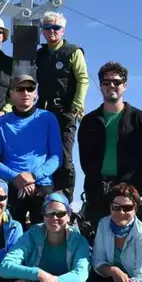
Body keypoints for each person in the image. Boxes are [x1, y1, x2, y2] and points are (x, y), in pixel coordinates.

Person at [78, 61, 142, 229]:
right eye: (106, 82)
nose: (111, 85)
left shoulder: (139, 119)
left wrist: (135, 190)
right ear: (100, 86)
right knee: (97, 247)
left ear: (124, 85)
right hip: (97, 195)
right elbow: (85, 160)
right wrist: (96, 184)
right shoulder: (89, 121)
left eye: (117, 82)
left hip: (127, 195)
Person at [0, 74, 63, 228]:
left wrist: (33, 176)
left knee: (46, 237)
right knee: (10, 237)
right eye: (20, 89)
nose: (26, 93)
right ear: (12, 93)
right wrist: (16, 178)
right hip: (12, 185)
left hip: (41, 184)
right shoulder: (2, 122)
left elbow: (57, 157)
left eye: (30, 88)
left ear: (35, 93)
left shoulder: (48, 118)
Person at [35, 11, 89, 202]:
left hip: (65, 111)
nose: (52, 31)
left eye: (56, 27)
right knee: (42, 153)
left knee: (65, 156)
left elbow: (83, 79)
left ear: (63, 30)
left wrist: (77, 105)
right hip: (43, 112)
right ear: (42, 31)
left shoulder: (73, 52)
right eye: (47, 27)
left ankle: (65, 198)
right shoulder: (39, 55)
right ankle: (44, 195)